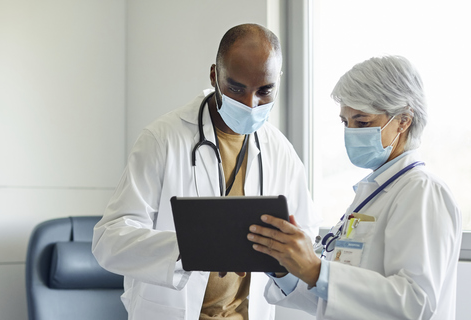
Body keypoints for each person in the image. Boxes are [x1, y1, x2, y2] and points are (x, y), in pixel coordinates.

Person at [92, 23, 321, 320]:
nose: (251, 104)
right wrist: (192, 248)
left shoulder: (280, 150)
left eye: (264, 91)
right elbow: (109, 240)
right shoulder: (163, 138)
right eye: (236, 88)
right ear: (215, 75)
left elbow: (306, 235)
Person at [247, 55, 462, 319]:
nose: (351, 132)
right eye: (345, 122)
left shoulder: (423, 192)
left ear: (404, 120)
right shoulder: (373, 194)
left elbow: (414, 303)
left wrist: (317, 270)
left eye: (362, 122)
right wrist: (285, 266)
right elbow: (335, 300)